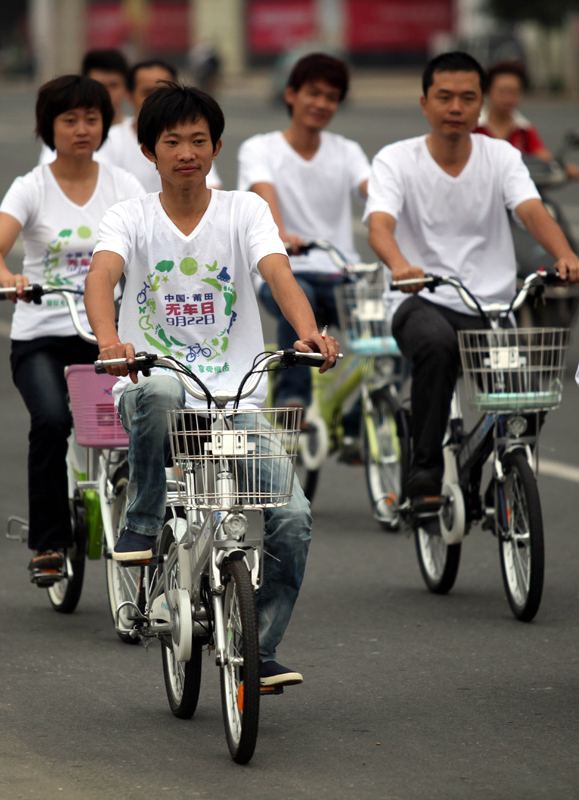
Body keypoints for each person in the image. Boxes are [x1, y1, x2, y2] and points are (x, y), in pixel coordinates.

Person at [84, 83, 339, 686]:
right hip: (152, 390)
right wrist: (109, 343)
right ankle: (144, 515)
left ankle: (260, 646)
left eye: (199, 140)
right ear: (149, 151)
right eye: (172, 141)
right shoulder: (129, 216)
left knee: (294, 517)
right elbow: (102, 279)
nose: (186, 152)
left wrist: (306, 331)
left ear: (216, 145)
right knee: (165, 391)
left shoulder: (244, 209)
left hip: (234, 401)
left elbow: (277, 271)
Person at [365, 51, 579, 504]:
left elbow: (531, 210)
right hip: (418, 299)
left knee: (528, 398)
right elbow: (379, 225)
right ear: (425, 103)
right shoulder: (396, 160)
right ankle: (423, 472)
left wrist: (564, 253)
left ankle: (498, 470)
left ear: (481, 105)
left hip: (490, 307)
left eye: (467, 98)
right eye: (444, 97)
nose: (456, 108)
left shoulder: (500, 156)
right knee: (437, 347)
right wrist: (400, 265)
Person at [0, 75, 144, 578]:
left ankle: (147, 525)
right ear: (48, 126)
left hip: (106, 334)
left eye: (91, 119)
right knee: (51, 422)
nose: (81, 129)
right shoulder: (31, 187)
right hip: (41, 335)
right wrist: (10, 280)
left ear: (105, 123)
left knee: (146, 421)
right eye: (69, 119)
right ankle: (48, 543)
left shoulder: (123, 184)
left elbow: (148, 243)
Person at [237, 53, 369, 456]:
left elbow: (375, 193)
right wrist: (279, 233)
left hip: (341, 272)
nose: (322, 103)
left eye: (331, 97)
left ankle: (357, 424)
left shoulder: (347, 151)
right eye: (313, 93)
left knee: (396, 329)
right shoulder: (260, 149)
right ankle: (292, 402)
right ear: (291, 94)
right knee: (300, 297)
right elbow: (264, 190)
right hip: (286, 270)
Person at [101, 59, 222, 191]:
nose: (186, 156)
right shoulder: (109, 140)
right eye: (172, 142)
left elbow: (212, 188)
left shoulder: (193, 141)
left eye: (164, 92)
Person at [474, 61, 579, 179]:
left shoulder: (524, 129)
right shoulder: (473, 126)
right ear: (488, 92)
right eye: (502, 92)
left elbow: (545, 159)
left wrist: (567, 170)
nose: (508, 99)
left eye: (513, 92)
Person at [39, 49, 129, 165]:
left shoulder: (137, 133)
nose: (106, 93)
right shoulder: (64, 139)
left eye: (113, 85)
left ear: (127, 88)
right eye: (99, 86)